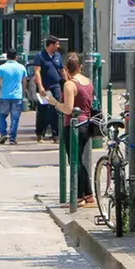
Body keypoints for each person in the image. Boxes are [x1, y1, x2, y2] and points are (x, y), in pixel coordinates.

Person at [45, 52, 94, 207]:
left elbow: (68, 108)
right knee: (79, 159)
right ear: (80, 66)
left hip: (73, 126)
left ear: (66, 68)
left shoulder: (69, 85)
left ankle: (78, 198)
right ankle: (88, 194)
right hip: (86, 123)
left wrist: (54, 103)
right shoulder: (88, 82)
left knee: (74, 161)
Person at [33, 35, 67, 143]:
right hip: (45, 88)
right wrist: (40, 86)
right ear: (51, 44)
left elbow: (62, 70)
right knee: (43, 110)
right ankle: (39, 133)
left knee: (56, 110)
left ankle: (56, 134)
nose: (58, 46)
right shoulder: (40, 56)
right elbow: (37, 72)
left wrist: (66, 83)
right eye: (56, 44)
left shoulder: (57, 56)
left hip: (56, 86)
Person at [0, 48, 28, 145]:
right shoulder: (21, 67)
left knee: (2, 116)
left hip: (4, 96)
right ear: (16, 57)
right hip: (17, 97)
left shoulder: (2, 68)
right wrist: (24, 93)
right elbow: (24, 82)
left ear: (7, 56)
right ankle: (12, 138)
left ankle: (3, 133)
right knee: (15, 118)